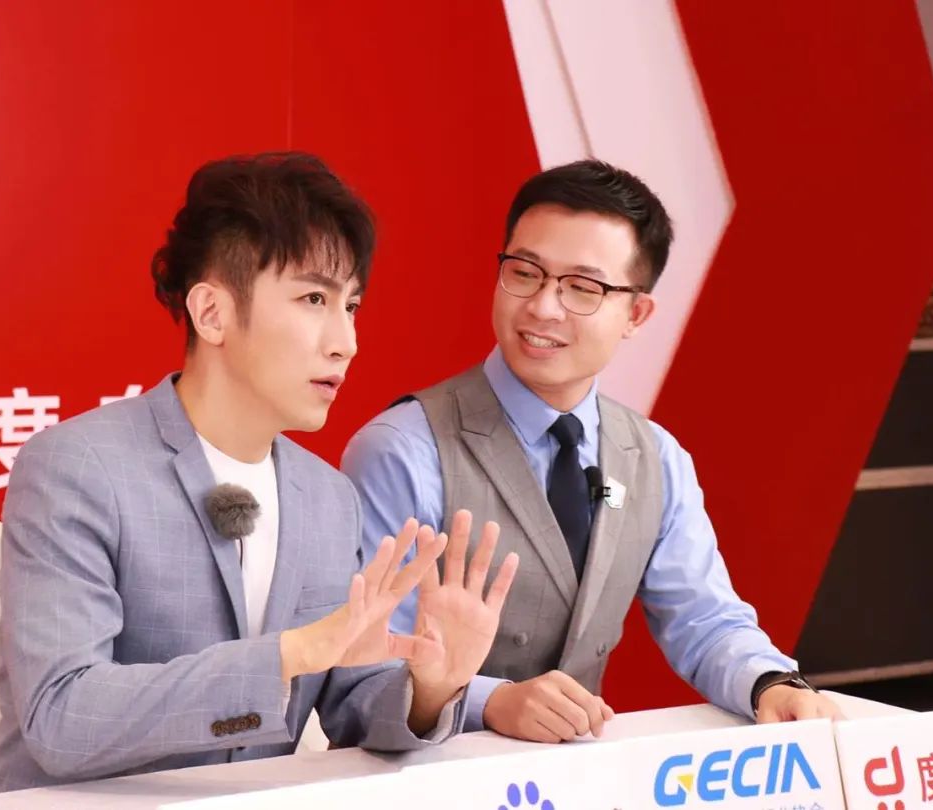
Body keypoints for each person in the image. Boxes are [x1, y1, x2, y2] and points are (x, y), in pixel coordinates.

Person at [0, 152, 518, 793]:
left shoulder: (327, 497)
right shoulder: (77, 467)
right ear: (212, 313)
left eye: (351, 305)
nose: (346, 341)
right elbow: (62, 716)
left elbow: (350, 703)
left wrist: (432, 686)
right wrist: (290, 655)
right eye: (314, 298)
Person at [341, 158, 841, 744]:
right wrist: (487, 701)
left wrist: (770, 684)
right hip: (424, 778)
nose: (543, 307)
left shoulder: (655, 458)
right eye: (524, 272)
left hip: (579, 777)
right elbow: (361, 666)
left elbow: (705, 619)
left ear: (636, 313)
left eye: (582, 288)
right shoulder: (403, 449)